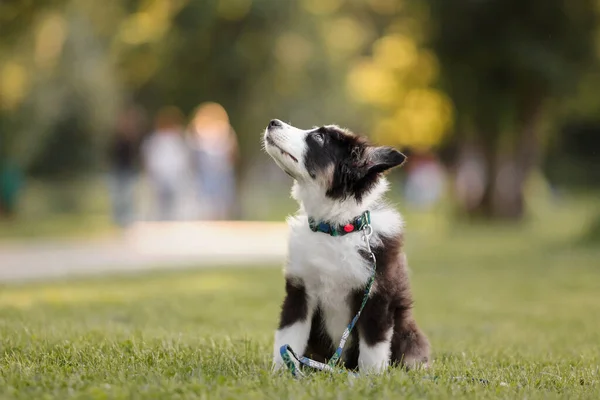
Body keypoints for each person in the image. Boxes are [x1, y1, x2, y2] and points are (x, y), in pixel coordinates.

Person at [188, 102, 238, 220]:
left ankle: (219, 218)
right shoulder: (199, 131)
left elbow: (232, 152)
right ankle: (213, 218)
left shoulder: (224, 131)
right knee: (209, 199)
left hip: (221, 171)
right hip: (208, 172)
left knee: (220, 199)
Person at [141, 106, 190, 221]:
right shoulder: (155, 139)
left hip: (174, 173)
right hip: (160, 173)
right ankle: (162, 220)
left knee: (174, 201)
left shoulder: (178, 138)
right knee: (160, 201)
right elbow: (149, 156)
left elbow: (184, 156)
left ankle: (171, 220)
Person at [108, 105, 145, 227]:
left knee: (128, 196)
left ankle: (128, 220)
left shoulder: (132, 139)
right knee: (119, 196)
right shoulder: (117, 138)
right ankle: (119, 220)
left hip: (128, 170)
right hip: (119, 170)